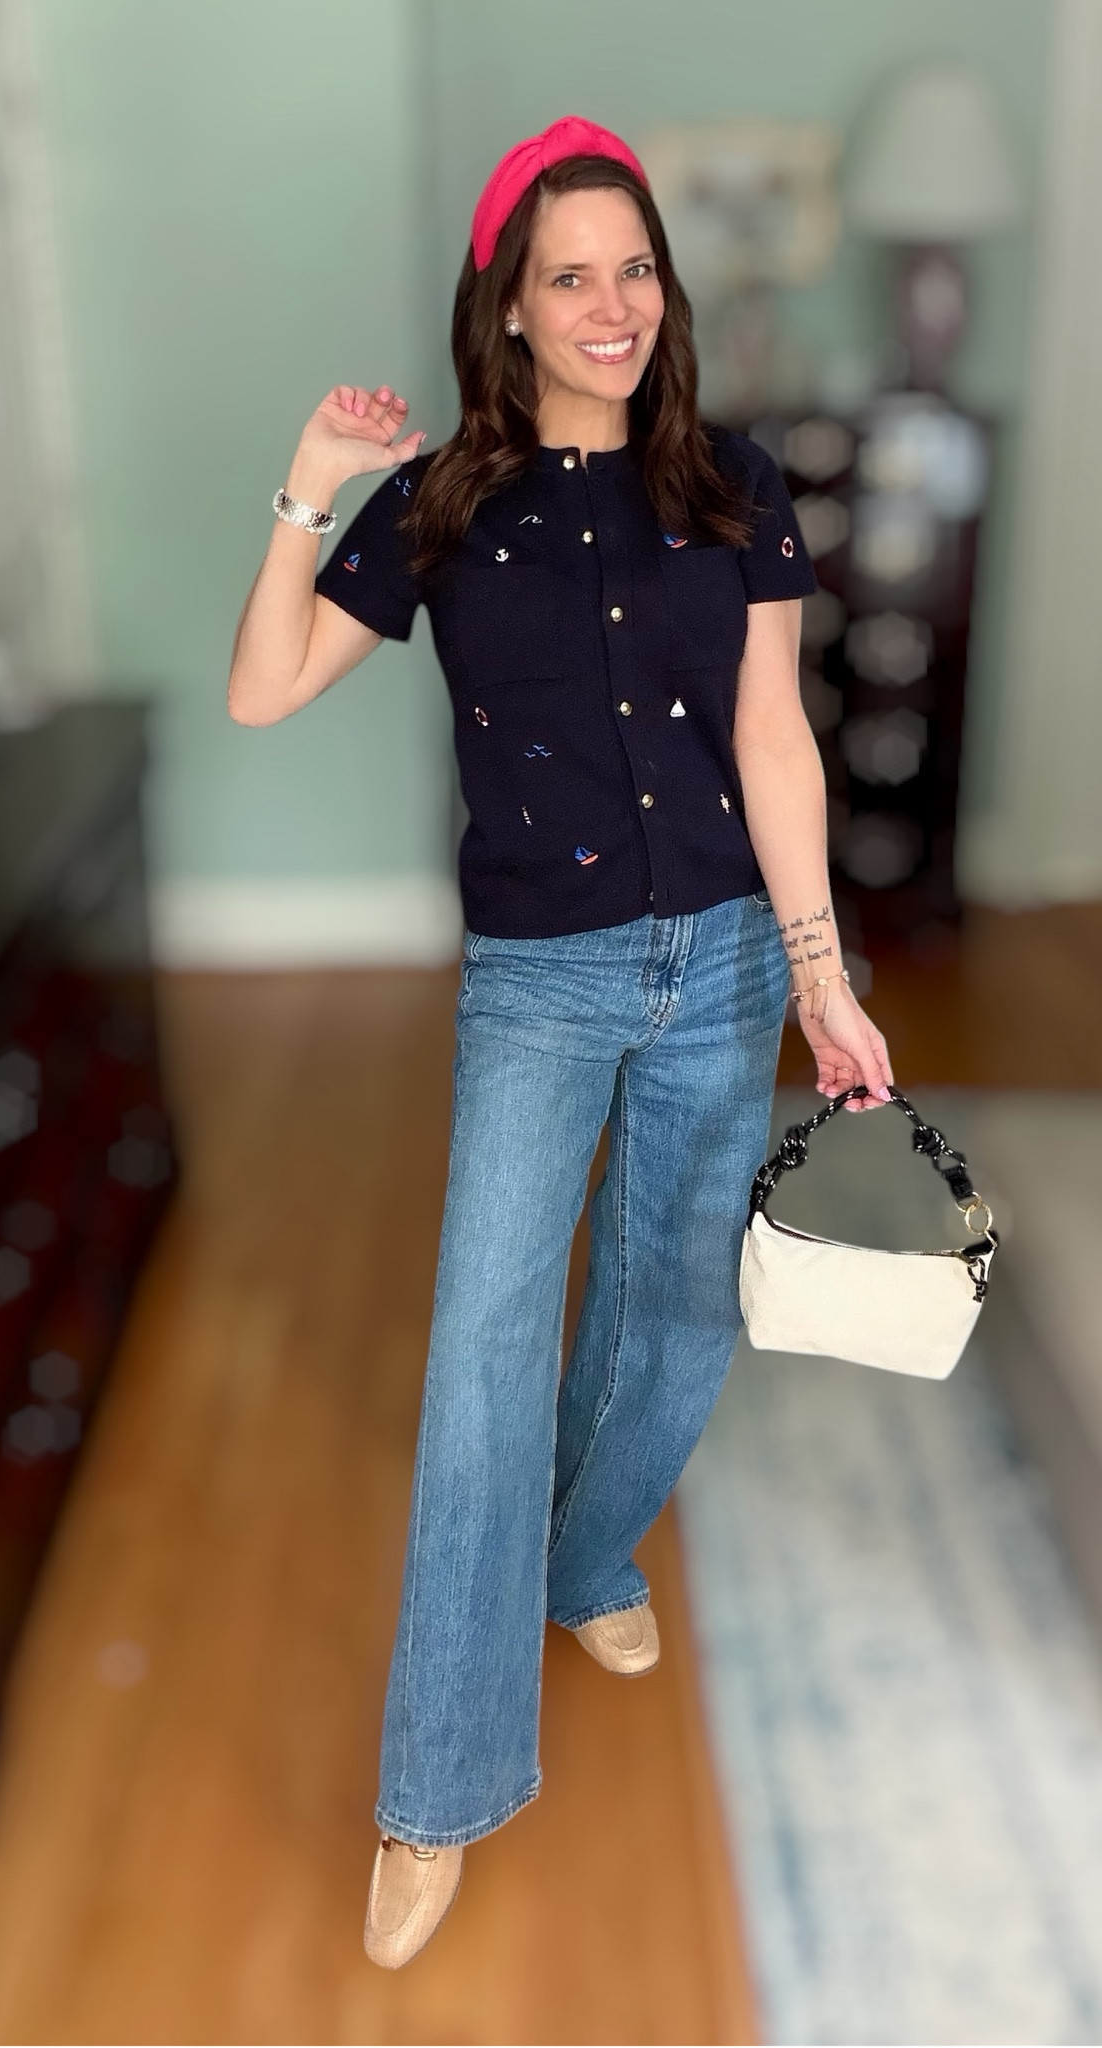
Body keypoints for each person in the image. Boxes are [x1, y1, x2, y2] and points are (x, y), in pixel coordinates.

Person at [228, 115, 894, 1969]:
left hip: (728, 972)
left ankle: (585, 1557)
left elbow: (772, 739)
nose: (608, 305)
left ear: (659, 286)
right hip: (541, 982)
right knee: (482, 1367)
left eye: (630, 267)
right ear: (508, 312)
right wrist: (307, 487)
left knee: (675, 1319)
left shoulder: (735, 484)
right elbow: (264, 689)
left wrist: (822, 975)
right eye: (566, 277)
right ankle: (435, 1791)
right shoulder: (439, 503)